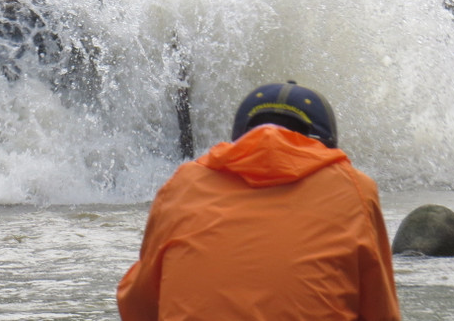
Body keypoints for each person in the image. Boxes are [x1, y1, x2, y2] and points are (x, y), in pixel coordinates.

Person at [117, 81, 401, 321]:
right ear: (324, 141)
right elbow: (381, 312)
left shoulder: (184, 183)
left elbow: (137, 307)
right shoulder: (354, 190)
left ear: (240, 136)